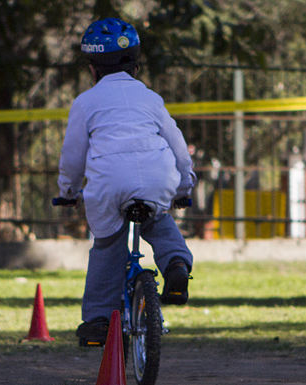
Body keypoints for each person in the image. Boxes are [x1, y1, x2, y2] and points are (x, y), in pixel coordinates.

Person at [57, 17, 196, 346]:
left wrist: (67, 192)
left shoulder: (86, 102)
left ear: (93, 68)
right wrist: (183, 189)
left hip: (108, 181)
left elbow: (73, 156)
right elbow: (179, 150)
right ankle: (176, 264)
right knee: (159, 220)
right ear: (136, 64)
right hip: (156, 174)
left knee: (107, 246)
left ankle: (98, 321)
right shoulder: (151, 99)